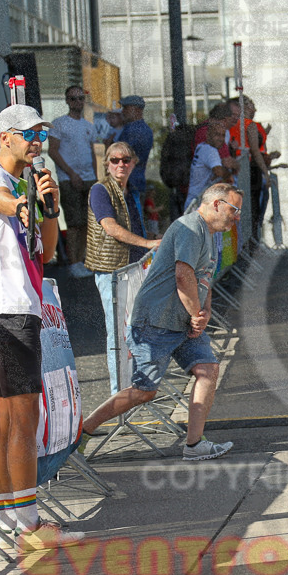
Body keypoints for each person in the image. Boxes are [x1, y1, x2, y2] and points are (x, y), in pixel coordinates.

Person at [0, 103, 83, 551]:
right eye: (29, 135)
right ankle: (30, 527)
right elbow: (2, 203)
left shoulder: (27, 183)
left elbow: (46, 251)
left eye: (42, 135)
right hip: (6, 307)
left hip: (18, 305)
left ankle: (7, 513)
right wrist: (24, 201)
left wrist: (48, 207)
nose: (38, 143)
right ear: (6, 137)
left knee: (8, 416)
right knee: (23, 417)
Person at [82, 183, 243, 460]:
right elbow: (183, 276)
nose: (237, 216)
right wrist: (196, 315)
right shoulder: (190, 229)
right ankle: (83, 433)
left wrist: (203, 314)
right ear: (216, 204)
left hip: (183, 323)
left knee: (207, 370)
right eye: (234, 209)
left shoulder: (210, 233)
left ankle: (194, 445)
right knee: (144, 391)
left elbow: (204, 278)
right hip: (155, 322)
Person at [84, 142, 161, 394]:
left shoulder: (131, 191)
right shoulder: (100, 190)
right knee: (118, 335)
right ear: (106, 164)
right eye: (115, 160)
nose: (120, 164)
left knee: (137, 331)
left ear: (134, 163)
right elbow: (111, 227)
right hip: (112, 272)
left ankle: (135, 390)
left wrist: (152, 240)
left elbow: (134, 228)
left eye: (126, 160)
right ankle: (120, 394)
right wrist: (148, 242)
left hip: (134, 268)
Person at [48, 85, 98, 279]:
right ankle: (73, 262)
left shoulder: (88, 126)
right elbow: (53, 150)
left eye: (80, 98)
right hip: (69, 179)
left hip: (88, 178)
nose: (77, 102)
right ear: (67, 101)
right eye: (73, 98)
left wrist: (95, 177)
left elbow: (93, 153)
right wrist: (71, 173)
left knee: (88, 222)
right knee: (74, 222)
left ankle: (82, 259)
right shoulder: (59, 124)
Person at [229, 95, 271, 243]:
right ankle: (251, 242)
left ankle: (245, 242)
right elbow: (255, 151)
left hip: (236, 170)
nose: (254, 109)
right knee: (252, 209)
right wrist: (266, 172)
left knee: (240, 210)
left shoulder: (231, 125)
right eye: (251, 105)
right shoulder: (249, 125)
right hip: (250, 170)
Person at [118, 95, 155, 235]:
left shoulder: (134, 130)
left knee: (131, 225)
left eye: (126, 108)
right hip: (134, 181)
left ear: (136, 110)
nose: (123, 112)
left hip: (130, 182)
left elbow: (123, 155)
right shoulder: (140, 129)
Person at [185, 119, 232, 212]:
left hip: (194, 203)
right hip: (198, 205)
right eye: (217, 134)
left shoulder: (202, 146)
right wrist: (229, 172)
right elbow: (219, 172)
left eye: (223, 135)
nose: (220, 139)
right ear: (208, 135)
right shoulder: (211, 151)